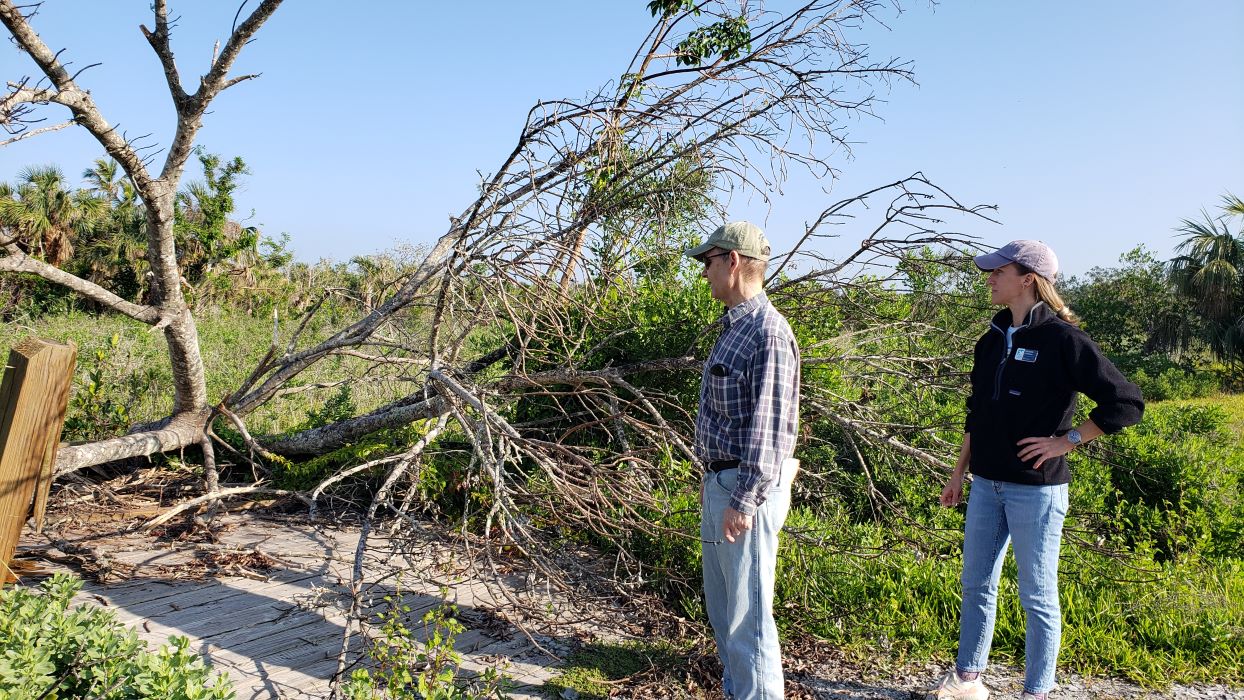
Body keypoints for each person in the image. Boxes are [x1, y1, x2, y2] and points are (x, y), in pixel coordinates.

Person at [928, 240, 1145, 700]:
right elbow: (977, 414)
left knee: (1037, 595)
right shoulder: (990, 339)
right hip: (986, 484)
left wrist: (1064, 442)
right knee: (976, 584)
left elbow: (1125, 403)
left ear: (1027, 277)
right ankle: (968, 680)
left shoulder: (1064, 340)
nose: (989, 278)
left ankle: (1037, 692)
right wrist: (957, 474)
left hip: (1036, 491)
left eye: (997, 272)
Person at [686, 221, 801, 699]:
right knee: (724, 613)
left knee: (748, 619)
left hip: (741, 492)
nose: (704, 273)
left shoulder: (767, 333)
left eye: (708, 262)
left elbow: (769, 429)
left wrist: (743, 499)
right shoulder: (736, 326)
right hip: (722, 484)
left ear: (733, 261)